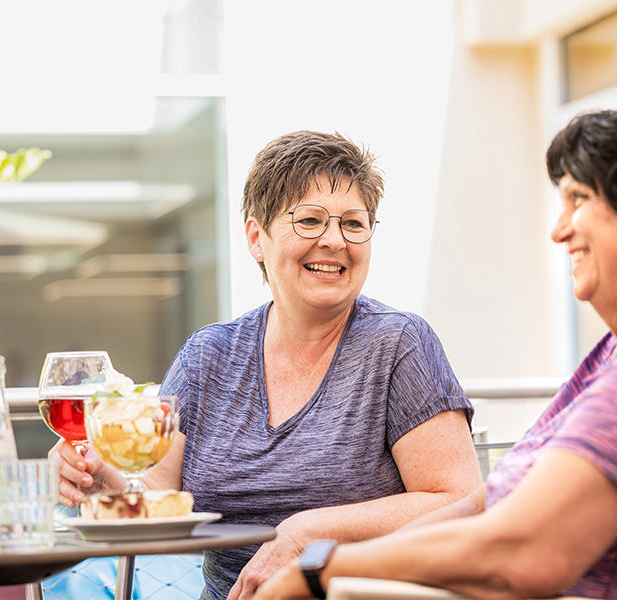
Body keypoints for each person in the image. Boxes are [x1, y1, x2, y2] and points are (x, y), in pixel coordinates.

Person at [254, 90, 617, 600]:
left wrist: (320, 573)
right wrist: (330, 569)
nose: (559, 230)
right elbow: (482, 507)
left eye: (579, 200)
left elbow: (525, 556)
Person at [50, 130, 483, 600]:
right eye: (310, 220)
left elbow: (459, 501)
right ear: (257, 237)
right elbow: (156, 496)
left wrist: (306, 534)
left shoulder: (398, 344)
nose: (335, 241)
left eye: (354, 224)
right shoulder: (208, 357)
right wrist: (99, 476)